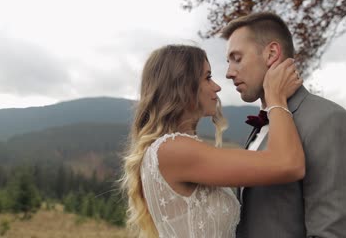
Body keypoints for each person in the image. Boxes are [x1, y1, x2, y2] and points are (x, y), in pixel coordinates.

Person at [121, 44, 304, 238]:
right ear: (182, 85)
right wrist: (276, 98)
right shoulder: (174, 149)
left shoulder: (169, 149)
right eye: (207, 77)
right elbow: (288, 164)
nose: (216, 86)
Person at [222, 12, 346, 237]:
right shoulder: (261, 125)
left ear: (271, 53)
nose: (229, 73)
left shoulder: (329, 122)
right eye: (228, 61)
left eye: (237, 58)